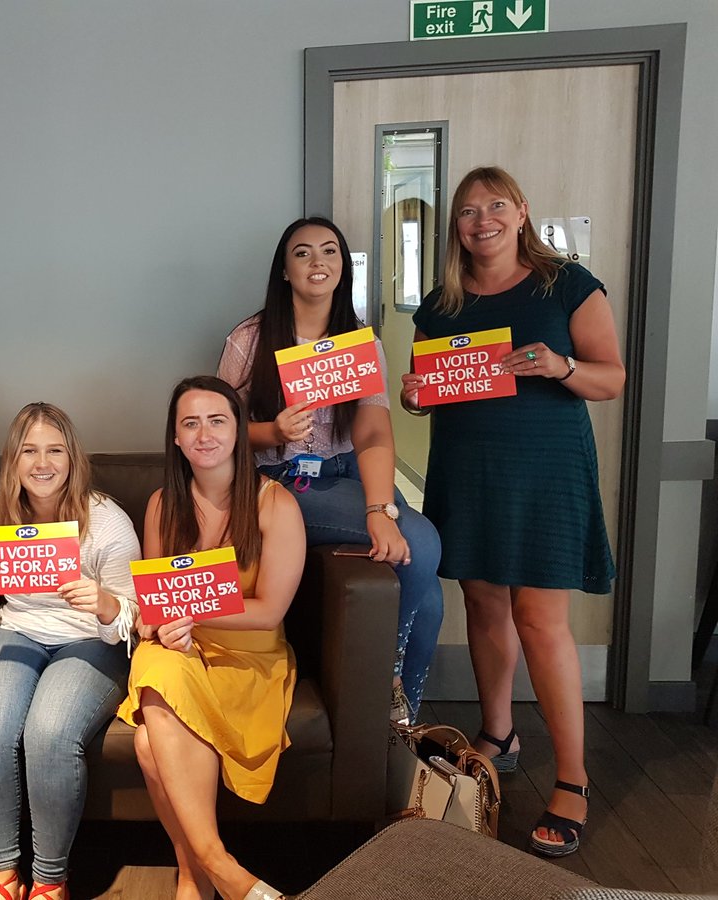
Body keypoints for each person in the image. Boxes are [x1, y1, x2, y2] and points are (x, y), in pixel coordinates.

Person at [400, 166, 625, 857]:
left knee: (540, 618)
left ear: (522, 212)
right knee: (485, 605)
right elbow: (426, 390)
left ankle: (574, 779)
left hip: (546, 472)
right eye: (468, 211)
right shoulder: (440, 304)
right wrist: (415, 396)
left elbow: (610, 378)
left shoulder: (569, 285)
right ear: (456, 228)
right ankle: (497, 732)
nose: (482, 220)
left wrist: (559, 366)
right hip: (470, 471)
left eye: (496, 205)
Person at [217, 217, 444, 721]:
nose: (317, 262)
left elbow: (373, 432)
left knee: (428, 595)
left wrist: (380, 507)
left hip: (349, 469)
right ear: (284, 269)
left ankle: (400, 727)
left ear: (343, 267)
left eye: (329, 252)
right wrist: (272, 432)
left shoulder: (360, 341)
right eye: (302, 253)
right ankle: (385, 682)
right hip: (285, 478)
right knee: (424, 544)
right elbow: (216, 430)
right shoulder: (249, 340)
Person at [117, 376, 305, 900]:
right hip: (181, 651)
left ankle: (195, 873)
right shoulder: (161, 504)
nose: (204, 434)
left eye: (217, 420)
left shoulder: (276, 505)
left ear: (240, 431)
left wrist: (193, 619)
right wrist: (158, 624)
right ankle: (218, 867)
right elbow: (151, 605)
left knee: (146, 742)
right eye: (190, 423)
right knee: (157, 664)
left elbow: (270, 611)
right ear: (176, 438)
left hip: (249, 658)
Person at [0, 402, 141, 900]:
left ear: (73, 458)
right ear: (13, 461)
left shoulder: (108, 523)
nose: (43, 463)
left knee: (50, 732)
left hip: (91, 639)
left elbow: (135, 621)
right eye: (29, 451)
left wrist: (106, 605)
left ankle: (49, 879)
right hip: (17, 629)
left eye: (55, 450)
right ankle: (1, 873)